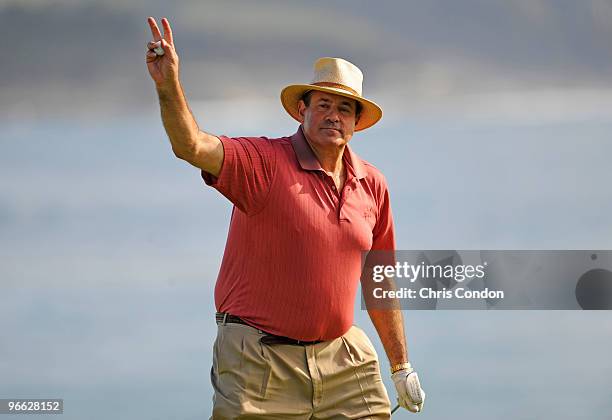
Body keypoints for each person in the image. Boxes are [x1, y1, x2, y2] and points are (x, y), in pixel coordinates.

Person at [145, 16, 425, 419]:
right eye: (323, 104)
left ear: (356, 123)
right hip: (259, 360)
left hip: (343, 358)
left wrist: (401, 367)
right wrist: (167, 82)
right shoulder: (263, 162)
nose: (333, 115)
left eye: (345, 108)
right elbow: (190, 145)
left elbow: (380, 280)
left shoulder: (373, 185)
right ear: (301, 110)